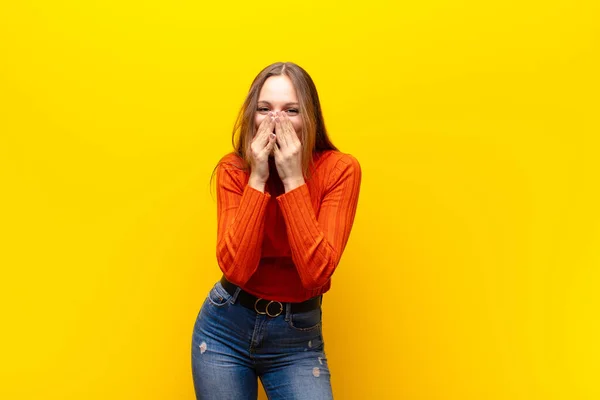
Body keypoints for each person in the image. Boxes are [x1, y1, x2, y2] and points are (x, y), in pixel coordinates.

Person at [191, 62, 362, 399]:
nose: (276, 121)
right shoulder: (233, 170)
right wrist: (256, 177)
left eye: (291, 110)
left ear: (309, 117)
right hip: (225, 327)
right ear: (251, 117)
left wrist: (292, 178)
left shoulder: (341, 170)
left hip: (296, 340)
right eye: (265, 109)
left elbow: (316, 274)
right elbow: (236, 268)